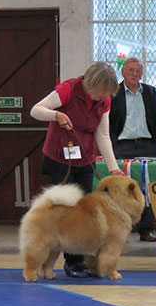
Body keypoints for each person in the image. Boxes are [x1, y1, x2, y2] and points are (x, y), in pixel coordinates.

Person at [30, 62, 125, 278]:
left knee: (83, 214)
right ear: (90, 84)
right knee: (64, 213)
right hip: (59, 159)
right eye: (101, 92)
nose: (103, 97)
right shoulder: (68, 89)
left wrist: (114, 168)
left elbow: (102, 135)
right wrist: (56, 116)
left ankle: (76, 261)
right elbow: (36, 110)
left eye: (106, 94)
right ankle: (57, 261)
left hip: (85, 159)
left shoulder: (104, 101)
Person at [109, 57, 156, 242]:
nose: (134, 74)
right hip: (123, 146)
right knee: (121, 191)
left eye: (138, 71)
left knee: (146, 189)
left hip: (147, 145)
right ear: (123, 72)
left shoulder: (149, 92)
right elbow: (109, 122)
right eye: (131, 70)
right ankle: (120, 229)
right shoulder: (114, 93)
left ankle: (145, 229)